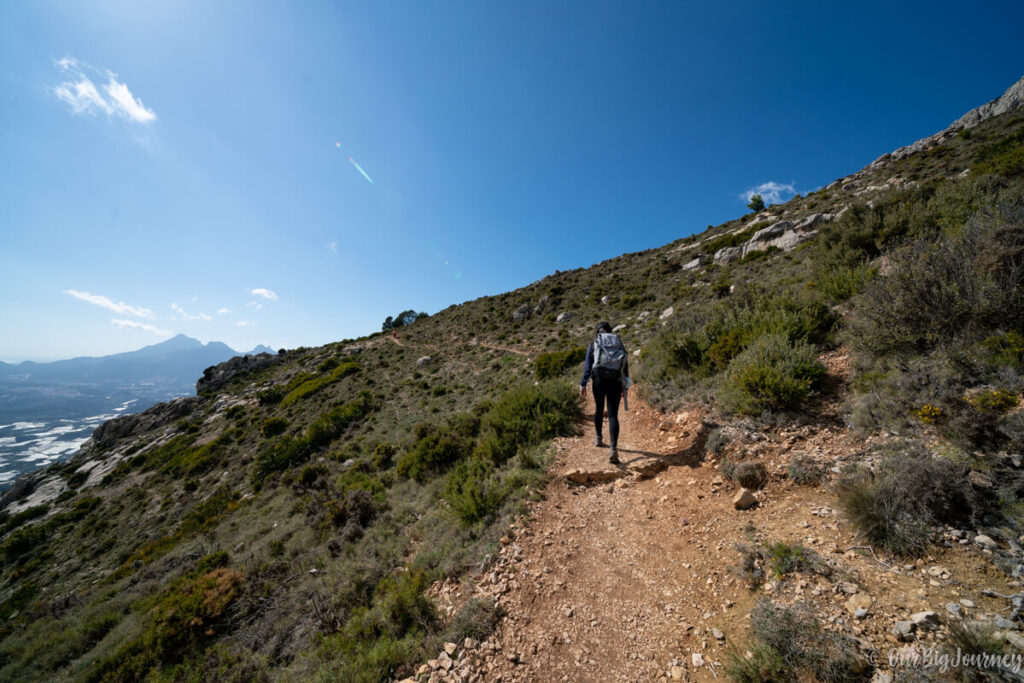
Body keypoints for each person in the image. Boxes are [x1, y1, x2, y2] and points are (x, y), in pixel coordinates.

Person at [579, 322, 631, 464]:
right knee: (613, 414)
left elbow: (588, 368)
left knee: (599, 409)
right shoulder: (618, 342)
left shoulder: (594, 343)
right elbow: (624, 363)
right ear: (610, 331)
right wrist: (625, 383)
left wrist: (583, 383)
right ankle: (613, 449)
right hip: (615, 380)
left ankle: (598, 438)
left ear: (598, 332)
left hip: (599, 380)